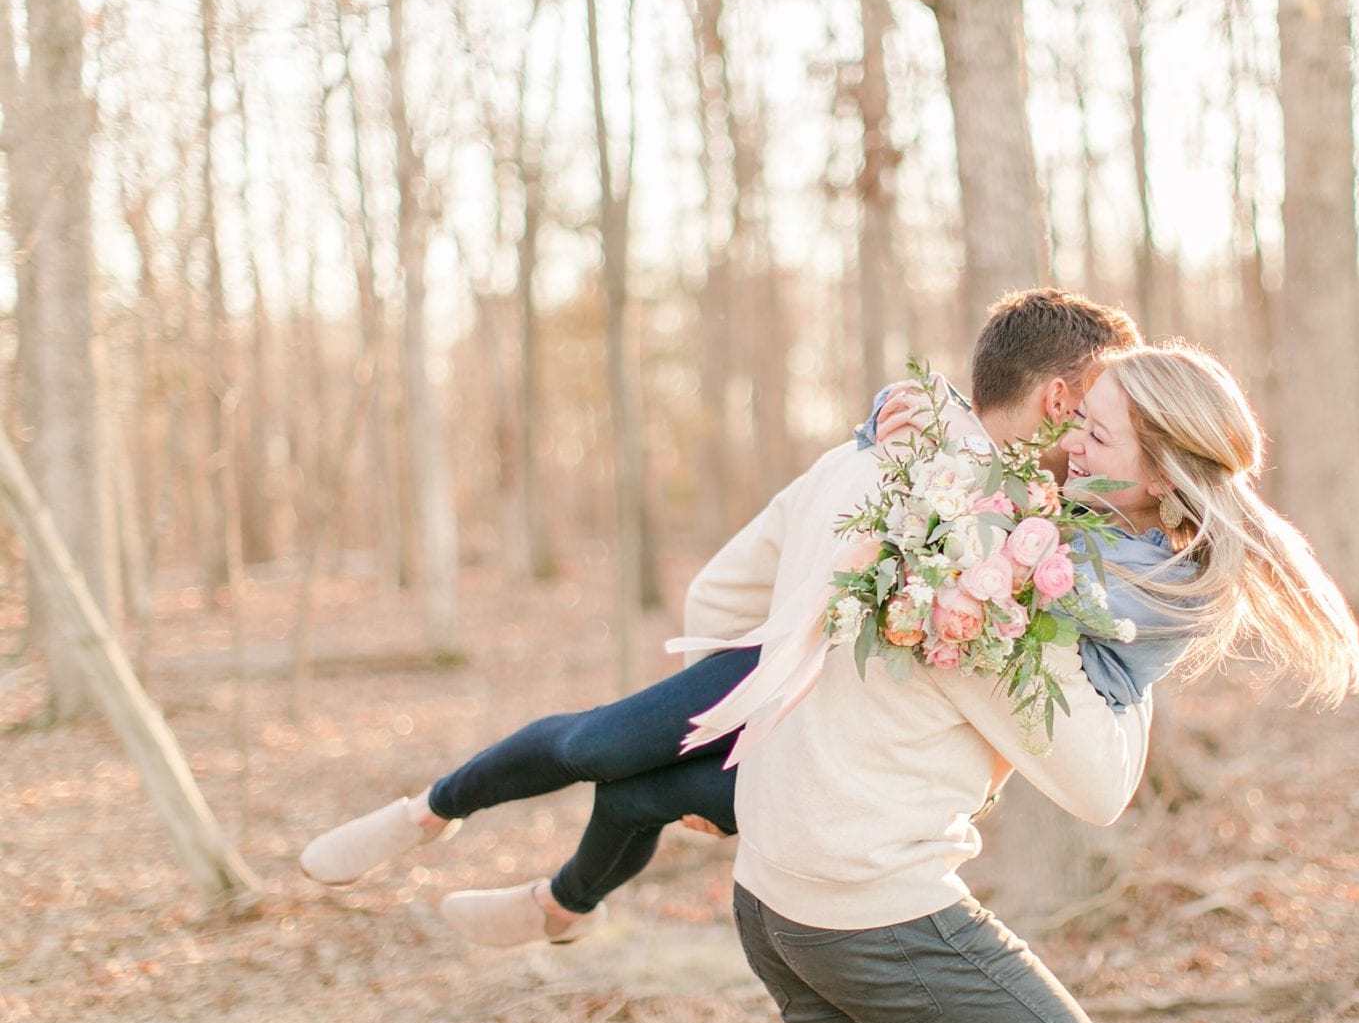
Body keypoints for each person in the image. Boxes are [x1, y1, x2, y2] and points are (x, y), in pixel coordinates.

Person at [299, 289, 1149, 946]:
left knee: (636, 794)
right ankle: (430, 815)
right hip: (760, 684)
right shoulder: (881, 458)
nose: (1104, 435)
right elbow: (739, 574)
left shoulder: (1050, 531)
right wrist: (721, 707)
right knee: (596, 748)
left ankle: (560, 906)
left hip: (852, 772)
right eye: (1100, 410)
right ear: (1059, 400)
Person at [706, 338, 1359, 1023]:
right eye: (1078, 420)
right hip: (871, 915)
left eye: (1095, 434)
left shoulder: (986, 513)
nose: (1068, 444)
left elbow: (720, 597)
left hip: (773, 897)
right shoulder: (998, 578)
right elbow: (1102, 789)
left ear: (1159, 476)